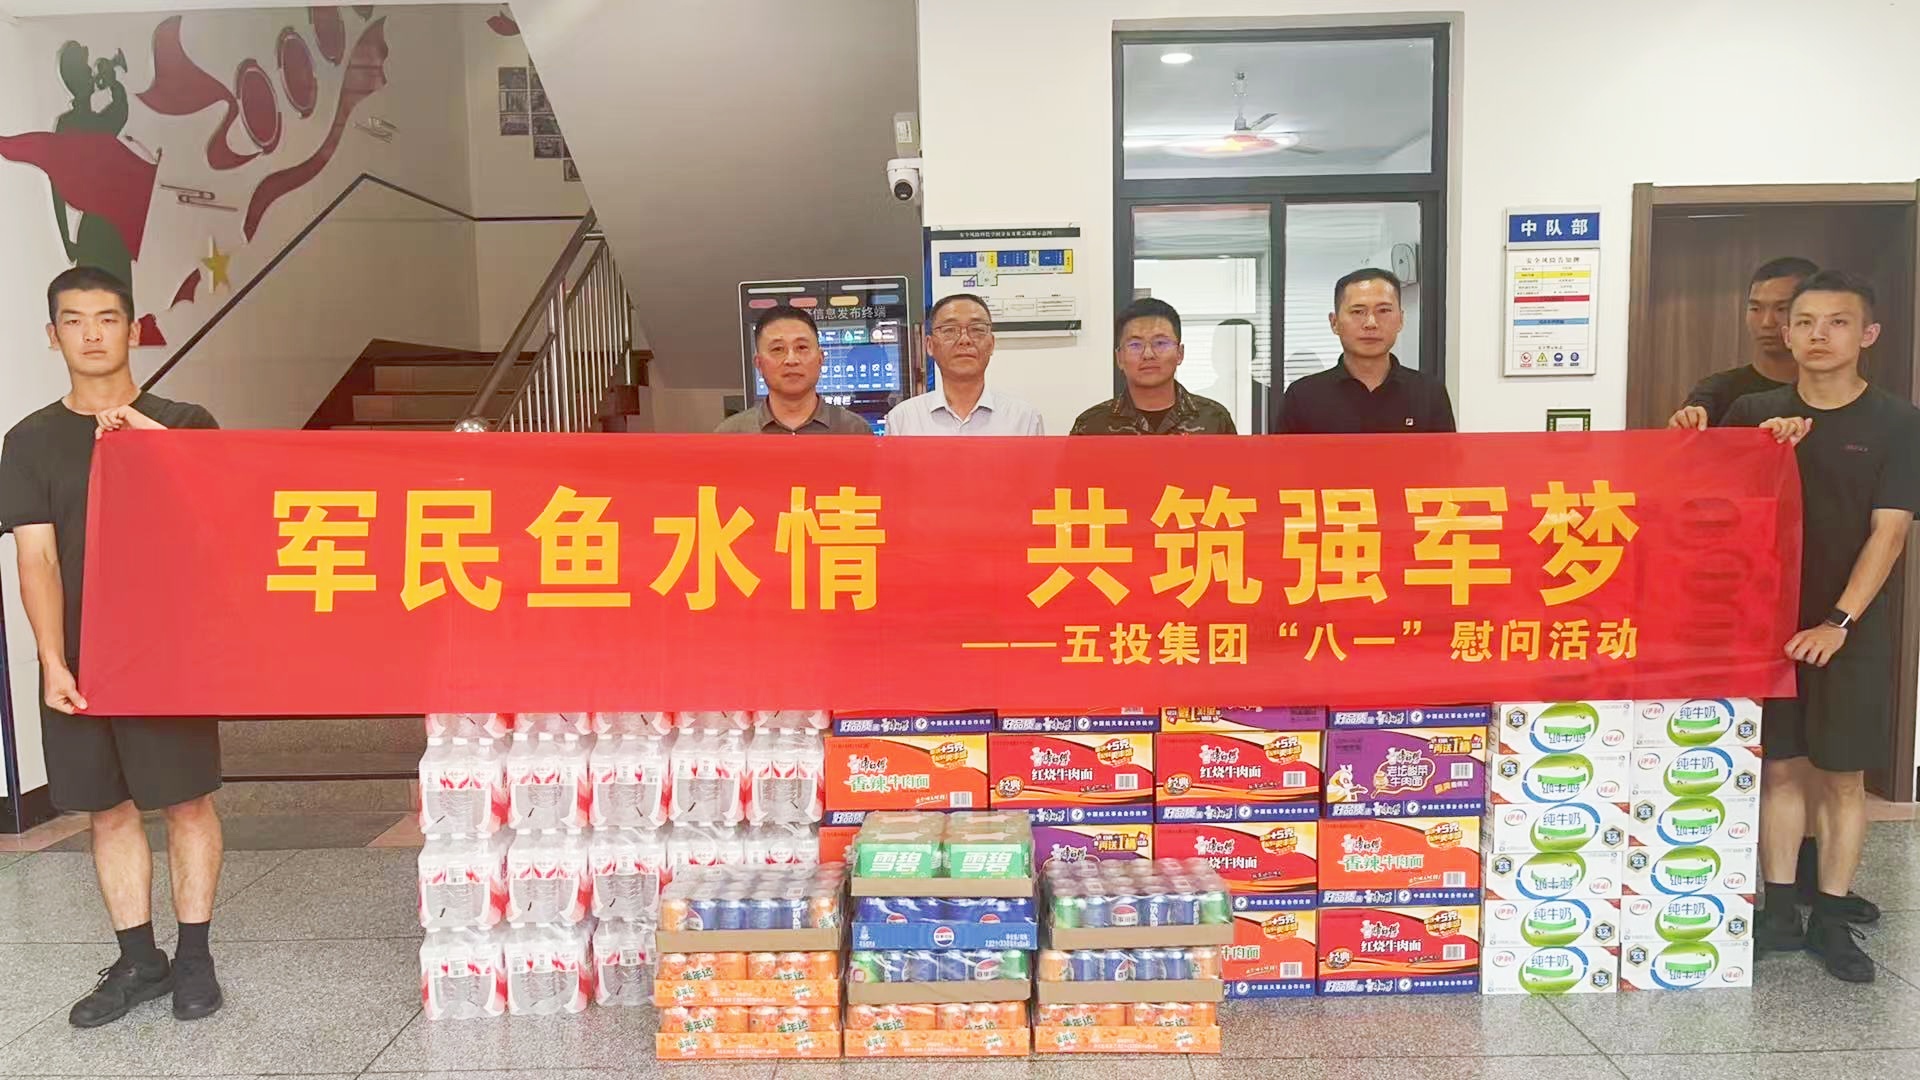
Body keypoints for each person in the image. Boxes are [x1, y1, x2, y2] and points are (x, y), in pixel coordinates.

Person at [0, 267, 225, 1025]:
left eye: (106, 318)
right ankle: (139, 961)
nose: (92, 333)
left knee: (187, 802)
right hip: (83, 656)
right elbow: (37, 558)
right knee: (107, 809)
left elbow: (226, 514)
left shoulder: (185, 422)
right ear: (53, 335)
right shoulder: (30, 440)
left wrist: (154, 443)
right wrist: (52, 660)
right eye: (74, 320)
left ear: (133, 329)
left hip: (170, 649)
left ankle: (194, 958)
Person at [1724, 270, 1920, 982]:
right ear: (1786, 332)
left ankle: (1831, 918)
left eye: (1837, 322)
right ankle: (1779, 911)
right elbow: (1712, 508)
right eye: (1804, 322)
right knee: (1779, 768)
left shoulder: (1897, 422)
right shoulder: (1754, 412)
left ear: (1867, 334)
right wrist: (1760, 452)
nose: (1817, 335)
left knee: (1841, 776)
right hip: (1765, 622)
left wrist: (1839, 620)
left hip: (1849, 629)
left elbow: (1889, 533)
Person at [1273, 268, 1454, 434]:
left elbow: (1446, 459)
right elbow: (1284, 459)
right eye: (1358, 312)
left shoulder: (1429, 394)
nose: (1371, 323)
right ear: (1334, 323)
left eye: (1383, 310)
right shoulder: (1303, 397)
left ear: (1400, 319)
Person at [1670, 256, 1820, 428]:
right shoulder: (1719, 391)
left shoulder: (1834, 394)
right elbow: (1683, 438)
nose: (1766, 322)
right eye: (1755, 309)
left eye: (1782, 309)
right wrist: (1682, 425)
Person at [1070, 297, 1235, 436]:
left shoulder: (1214, 420)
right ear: (1119, 357)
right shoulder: (1091, 426)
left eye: (1160, 343)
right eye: (1135, 345)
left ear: (1180, 353)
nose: (1148, 354)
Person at [885, 293, 1043, 435]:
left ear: (991, 344)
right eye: (949, 330)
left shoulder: (1024, 420)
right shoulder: (903, 420)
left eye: (977, 329)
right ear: (930, 345)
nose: (965, 339)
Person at [715, 303, 872, 434]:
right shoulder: (731, 434)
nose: (791, 360)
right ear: (759, 363)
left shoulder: (855, 430)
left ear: (820, 359)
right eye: (777, 349)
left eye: (802, 347)